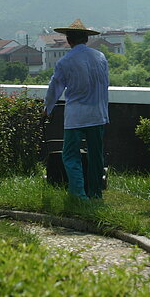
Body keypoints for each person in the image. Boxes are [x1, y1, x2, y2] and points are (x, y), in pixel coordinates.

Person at [44, 19, 109, 200]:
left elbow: (55, 88)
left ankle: (79, 195)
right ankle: (95, 194)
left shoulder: (66, 61)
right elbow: (104, 86)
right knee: (96, 157)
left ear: (68, 40)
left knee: (71, 156)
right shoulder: (100, 57)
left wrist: (47, 108)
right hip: (97, 114)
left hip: (76, 117)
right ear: (86, 38)